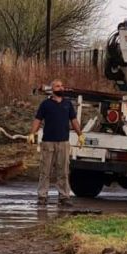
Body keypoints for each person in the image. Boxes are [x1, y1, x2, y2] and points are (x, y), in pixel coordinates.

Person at [28, 78, 84, 206]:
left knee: (63, 171)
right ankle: (42, 197)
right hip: (48, 143)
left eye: (62, 86)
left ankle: (64, 197)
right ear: (52, 89)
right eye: (58, 86)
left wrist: (80, 135)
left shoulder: (67, 104)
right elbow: (37, 120)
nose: (61, 88)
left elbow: (74, 120)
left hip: (63, 143)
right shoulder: (45, 104)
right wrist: (32, 133)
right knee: (45, 171)